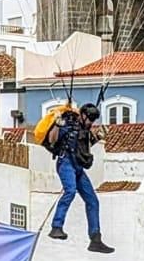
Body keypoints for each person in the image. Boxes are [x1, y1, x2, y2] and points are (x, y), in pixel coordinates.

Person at [47, 104, 113, 252]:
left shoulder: (85, 130)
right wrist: (57, 125)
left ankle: (95, 238)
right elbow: (53, 140)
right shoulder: (68, 125)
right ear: (83, 115)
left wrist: (98, 137)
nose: (91, 122)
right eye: (90, 119)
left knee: (93, 200)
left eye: (93, 120)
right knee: (70, 191)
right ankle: (56, 227)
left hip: (78, 167)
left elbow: (83, 146)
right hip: (65, 163)